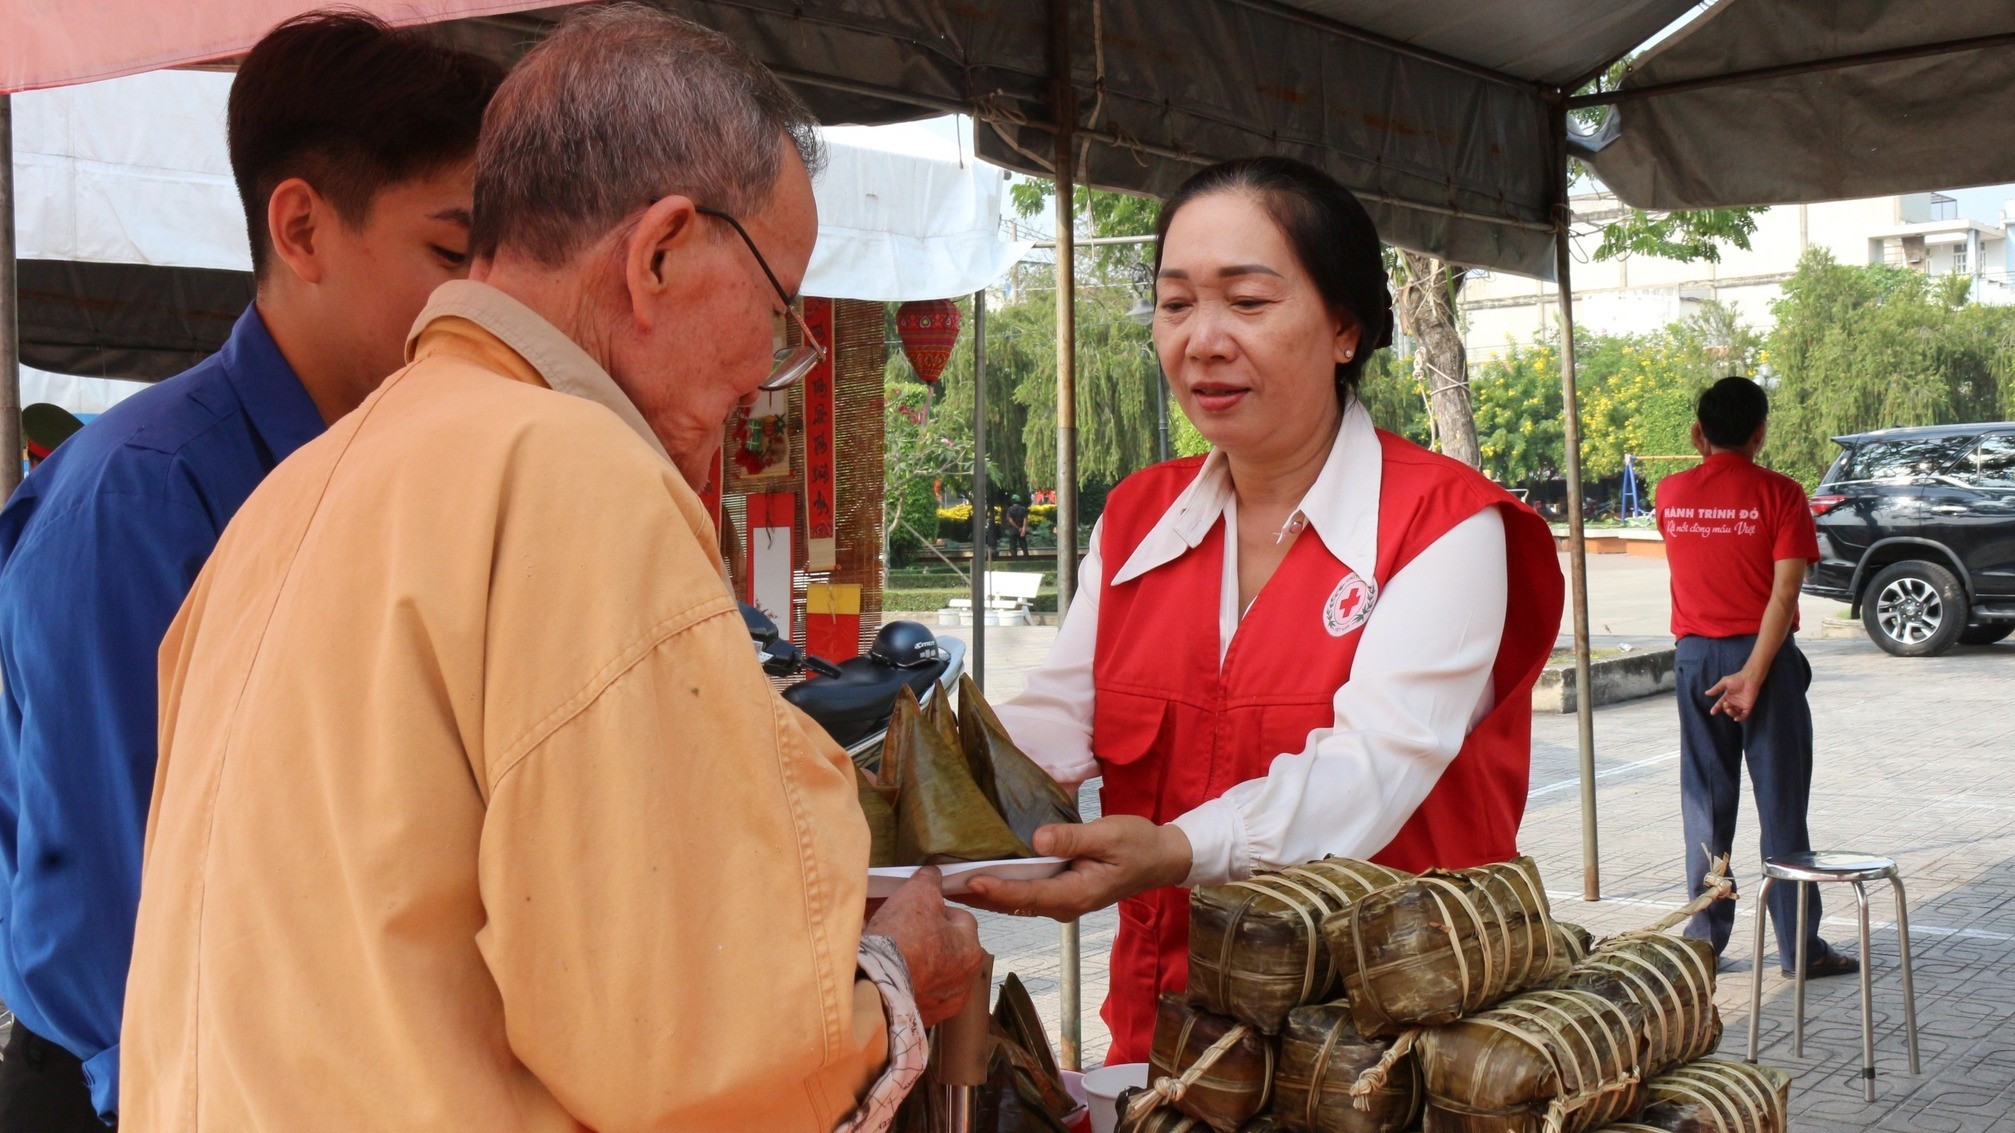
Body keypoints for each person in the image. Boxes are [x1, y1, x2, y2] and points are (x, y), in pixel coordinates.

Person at [119, 9, 981, 1131]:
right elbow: (691, 1049)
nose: (769, 373)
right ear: (660, 251)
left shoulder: (291, 495)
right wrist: (890, 983)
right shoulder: (577, 476)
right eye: (778, 315)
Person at [0, 16, 501, 1129]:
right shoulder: (140, 497)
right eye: (450, 255)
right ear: (302, 228)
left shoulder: (406, 471)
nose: (486, 303)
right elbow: (113, 900)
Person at [969, 158, 1564, 1062]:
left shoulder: (1444, 526)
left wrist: (1176, 849)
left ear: (1344, 329)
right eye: (1174, 304)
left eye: (1246, 301)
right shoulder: (1137, 517)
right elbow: (1058, 712)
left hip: (1380, 1057)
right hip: (1170, 1034)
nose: (1201, 340)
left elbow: (1368, 769)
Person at [1656, 377, 1856, 977]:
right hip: (1764, 661)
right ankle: (1799, 949)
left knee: (1706, 805)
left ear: (1698, 433)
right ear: (1760, 433)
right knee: (1782, 805)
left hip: (1695, 660)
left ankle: (1704, 942)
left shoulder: (1670, 492)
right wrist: (1753, 674)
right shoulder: (1782, 494)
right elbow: (1785, 592)